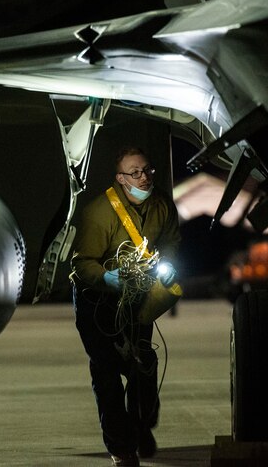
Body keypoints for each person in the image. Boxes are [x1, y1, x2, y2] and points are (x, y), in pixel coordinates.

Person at [70, 146, 181, 466]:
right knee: (106, 371)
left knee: (143, 361)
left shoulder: (162, 205)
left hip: (136, 295)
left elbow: (171, 242)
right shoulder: (99, 213)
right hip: (96, 298)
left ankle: (141, 426)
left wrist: (169, 265)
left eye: (148, 171)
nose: (144, 178)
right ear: (120, 179)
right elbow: (82, 263)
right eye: (135, 173)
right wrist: (108, 278)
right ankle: (121, 448)